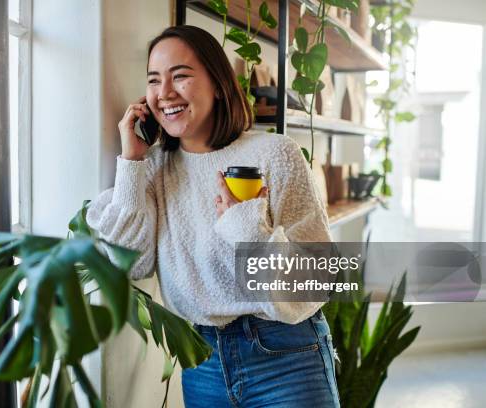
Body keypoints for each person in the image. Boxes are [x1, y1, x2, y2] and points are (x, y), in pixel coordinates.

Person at [86, 25, 340, 408]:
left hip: (285, 355)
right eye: (154, 80)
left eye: (181, 76)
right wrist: (132, 162)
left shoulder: (275, 154)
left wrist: (247, 230)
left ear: (219, 84)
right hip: (202, 361)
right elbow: (131, 263)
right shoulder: (153, 169)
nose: (165, 92)